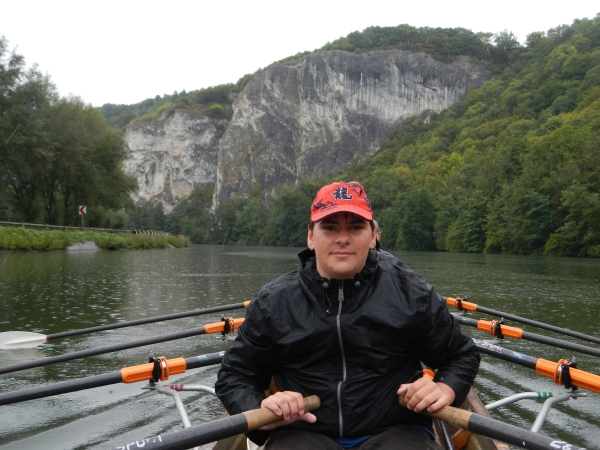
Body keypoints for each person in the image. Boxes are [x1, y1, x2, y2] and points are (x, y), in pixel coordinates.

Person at [215, 181, 480, 449]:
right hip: (302, 431)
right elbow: (235, 374)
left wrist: (444, 389)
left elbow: (462, 355)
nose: (342, 238)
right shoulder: (274, 300)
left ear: (373, 235)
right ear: (310, 236)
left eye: (356, 227)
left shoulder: (412, 292)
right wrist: (260, 408)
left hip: (396, 430)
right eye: (329, 228)